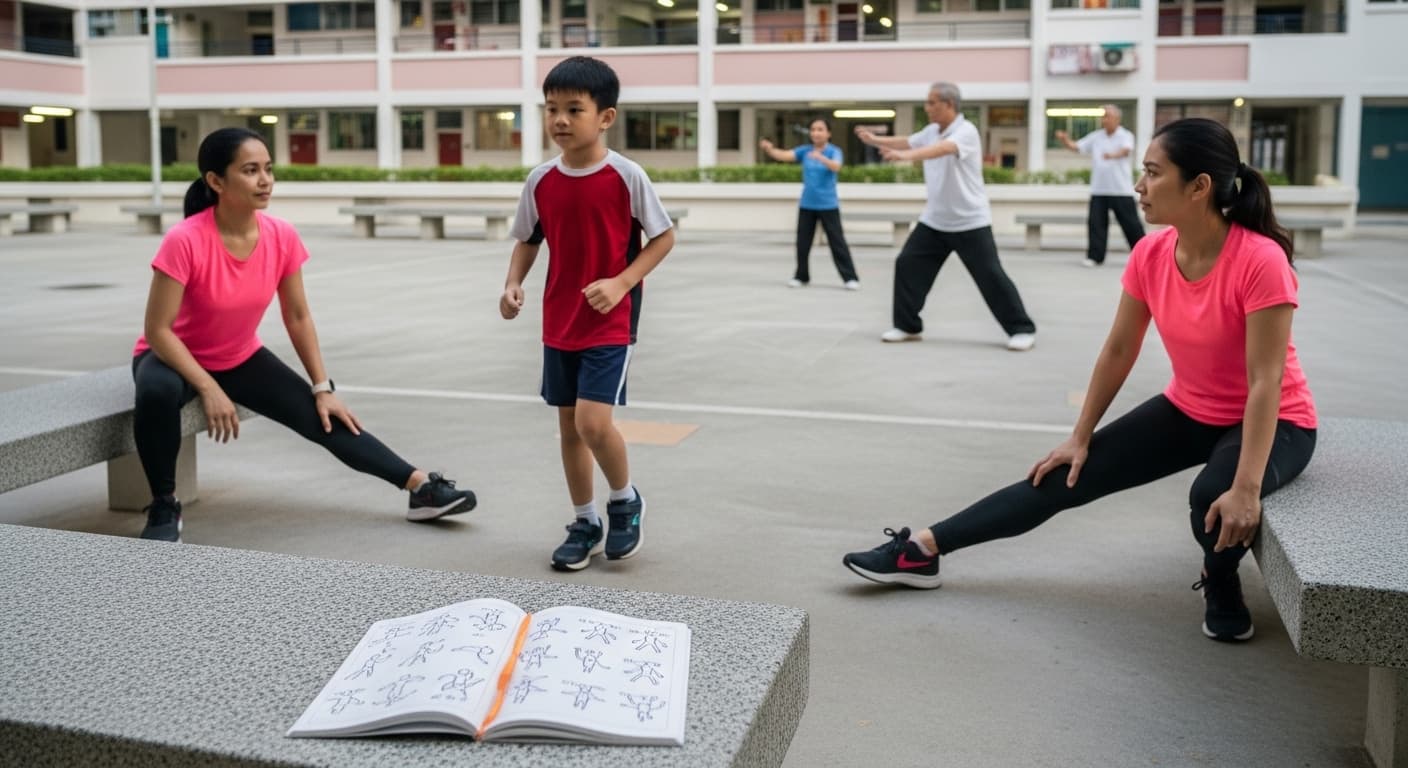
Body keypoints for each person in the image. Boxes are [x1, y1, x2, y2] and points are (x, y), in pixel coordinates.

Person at [842, 117, 1317, 643]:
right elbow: (1119, 349)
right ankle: (923, 550)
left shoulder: (1260, 261)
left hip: (1280, 420)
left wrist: (1247, 488)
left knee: (1213, 495)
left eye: (1154, 173)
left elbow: (1266, 381)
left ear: (1199, 186)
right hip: (1190, 408)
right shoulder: (1151, 254)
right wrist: (1080, 436)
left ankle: (1219, 580)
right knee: (1060, 476)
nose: (1140, 186)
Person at [131, 127, 476, 543]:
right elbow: (158, 330)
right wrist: (207, 386)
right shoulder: (184, 240)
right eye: (251, 170)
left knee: (325, 417)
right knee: (155, 392)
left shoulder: (281, 236)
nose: (265, 180)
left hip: (238, 356)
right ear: (216, 181)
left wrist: (321, 386)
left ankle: (419, 487)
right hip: (173, 355)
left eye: (268, 169)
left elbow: (297, 315)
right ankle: (165, 503)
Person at [499, 56, 675, 572]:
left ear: (605, 117)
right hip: (559, 323)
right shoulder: (540, 180)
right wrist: (513, 284)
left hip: (610, 324)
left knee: (594, 423)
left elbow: (663, 237)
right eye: (551, 108)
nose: (559, 119)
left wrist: (622, 282)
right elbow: (528, 241)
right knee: (569, 429)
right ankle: (584, 521)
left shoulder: (626, 175)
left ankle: (624, 501)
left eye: (574, 109)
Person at [855, 82, 1038, 351]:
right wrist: (875, 140)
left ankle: (1022, 329)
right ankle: (907, 325)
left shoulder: (966, 132)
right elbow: (909, 140)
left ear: (949, 104)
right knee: (907, 264)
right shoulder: (931, 131)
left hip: (970, 220)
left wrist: (906, 156)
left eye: (932, 103)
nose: (927, 108)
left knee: (990, 275)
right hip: (935, 220)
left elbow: (940, 149)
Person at [759, 117, 861, 290]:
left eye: (820, 129)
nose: (816, 133)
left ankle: (850, 278)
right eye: (813, 130)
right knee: (803, 242)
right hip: (807, 204)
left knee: (837, 242)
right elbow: (785, 155)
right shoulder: (805, 150)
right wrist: (770, 150)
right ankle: (801, 276)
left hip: (828, 204)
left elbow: (836, 166)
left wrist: (821, 158)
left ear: (828, 133)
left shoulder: (833, 151)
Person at [1054, 104, 1145, 268]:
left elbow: (1126, 151)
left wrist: (1112, 155)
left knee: (1131, 225)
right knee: (1096, 224)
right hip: (1099, 189)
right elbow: (1077, 147)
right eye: (1103, 116)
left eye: (1107, 116)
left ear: (1117, 119)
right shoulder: (1096, 136)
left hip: (1121, 190)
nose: (1104, 120)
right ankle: (1095, 257)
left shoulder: (1125, 135)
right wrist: (1064, 140)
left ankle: (1145, 256)